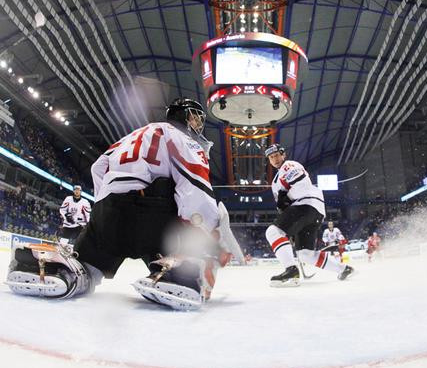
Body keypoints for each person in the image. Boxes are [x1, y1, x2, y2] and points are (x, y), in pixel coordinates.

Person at [7, 98, 238, 311]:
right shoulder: (182, 138)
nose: (198, 123)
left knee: (88, 266)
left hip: (107, 213)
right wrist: (208, 234)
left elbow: (98, 167)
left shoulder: (133, 135)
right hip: (152, 216)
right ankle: (177, 276)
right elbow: (194, 187)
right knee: (201, 222)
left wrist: (101, 210)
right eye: (195, 117)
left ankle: (56, 269)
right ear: (183, 116)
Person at [264, 143, 354, 287]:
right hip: (312, 211)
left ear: (283, 155)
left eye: (276, 155)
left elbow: (301, 184)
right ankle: (344, 269)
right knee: (305, 254)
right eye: (271, 157)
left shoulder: (288, 165)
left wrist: (285, 196)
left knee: (272, 232)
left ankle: (291, 270)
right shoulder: (275, 180)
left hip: (305, 205)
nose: (274, 159)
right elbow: (283, 206)